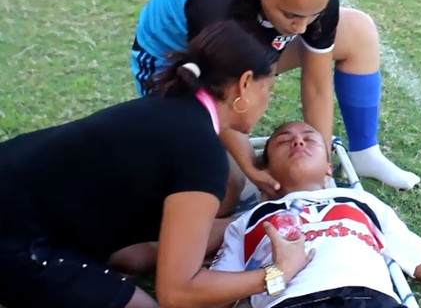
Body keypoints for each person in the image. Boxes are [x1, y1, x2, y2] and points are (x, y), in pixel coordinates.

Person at [0, 21, 313, 308]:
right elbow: (177, 292)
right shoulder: (201, 151)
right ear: (245, 84)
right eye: (267, 88)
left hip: (17, 193)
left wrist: (262, 216)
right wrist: (277, 273)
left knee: (126, 265)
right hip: (16, 236)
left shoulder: (172, 105)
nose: (266, 100)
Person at [130, 0, 420, 197]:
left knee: (357, 30)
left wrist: (320, 167)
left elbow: (317, 85)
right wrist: (249, 166)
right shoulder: (216, 7)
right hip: (177, 65)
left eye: (313, 15)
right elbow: (218, 98)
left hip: (249, 45)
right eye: (291, 15)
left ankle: (365, 153)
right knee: (223, 188)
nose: (302, 28)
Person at [210, 121, 421, 308]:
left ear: (328, 167)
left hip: (371, 299)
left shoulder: (362, 203)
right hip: (293, 301)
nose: (297, 140)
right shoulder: (250, 219)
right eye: (283, 141)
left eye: (310, 139)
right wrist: (275, 275)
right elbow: (215, 291)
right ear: (264, 171)